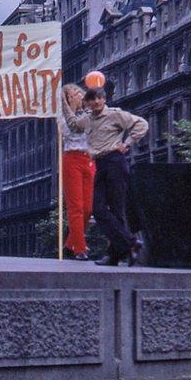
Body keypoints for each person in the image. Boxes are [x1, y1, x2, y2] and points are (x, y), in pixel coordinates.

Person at [61, 87, 148, 266]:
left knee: (116, 210)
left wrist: (127, 143)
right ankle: (130, 244)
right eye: (92, 99)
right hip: (99, 164)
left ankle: (115, 255)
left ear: (104, 99)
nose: (96, 102)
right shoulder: (88, 119)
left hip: (115, 161)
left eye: (99, 98)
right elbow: (73, 124)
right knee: (97, 209)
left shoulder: (115, 114)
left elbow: (142, 124)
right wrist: (63, 101)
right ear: (88, 102)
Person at [57, 83, 95, 261]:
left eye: (80, 92)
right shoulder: (62, 115)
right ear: (67, 99)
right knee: (76, 206)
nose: (79, 96)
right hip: (71, 159)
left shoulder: (90, 113)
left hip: (89, 159)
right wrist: (67, 108)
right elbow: (68, 131)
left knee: (88, 207)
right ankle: (80, 248)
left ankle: (70, 243)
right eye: (74, 94)